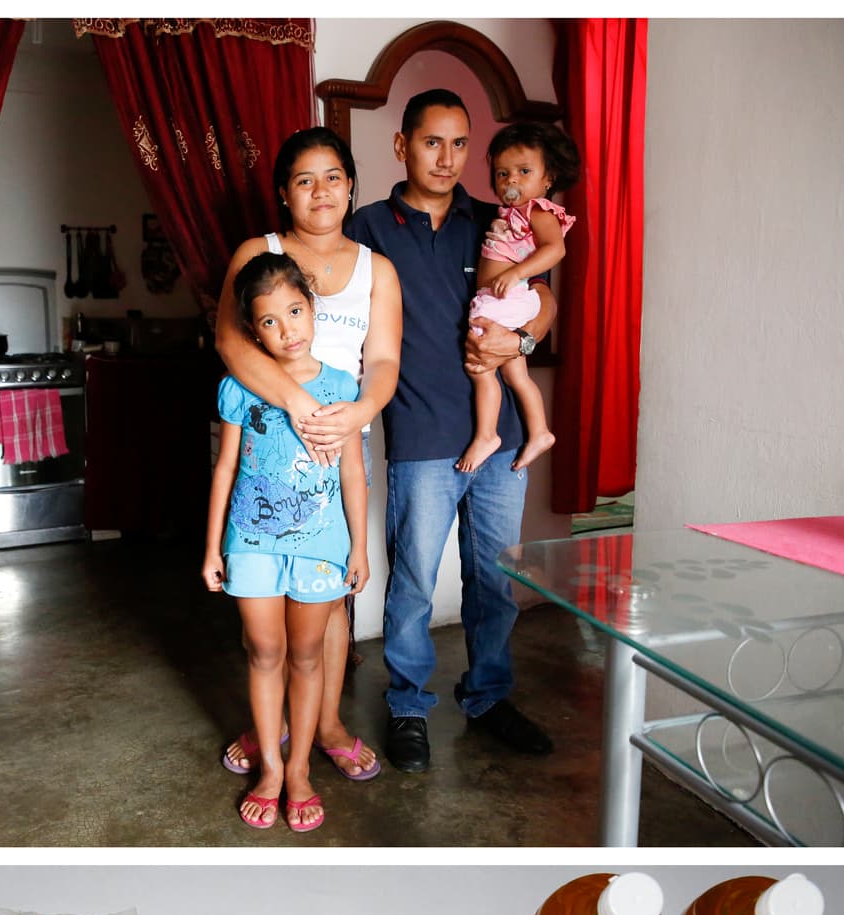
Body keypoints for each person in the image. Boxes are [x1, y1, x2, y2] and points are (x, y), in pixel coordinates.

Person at [345, 89, 557, 773]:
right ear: (402, 145)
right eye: (433, 142)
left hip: (500, 440)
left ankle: (488, 696)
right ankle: (408, 704)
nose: (448, 157)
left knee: (494, 581)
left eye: (461, 143)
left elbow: (545, 298)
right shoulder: (367, 230)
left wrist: (518, 343)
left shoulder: (495, 220)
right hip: (421, 433)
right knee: (411, 582)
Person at [215, 125, 402, 784]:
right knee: (265, 615)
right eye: (304, 179)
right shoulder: (256, 253)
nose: (320, 191)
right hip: (270, 440)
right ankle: (273, 726)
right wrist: (299, 405)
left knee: (325, 610)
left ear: (351, 186)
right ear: (282, 193)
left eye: (332, 177)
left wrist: (353, 413)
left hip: (337, 449)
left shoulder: (378, 268)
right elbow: (234, 349)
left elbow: (381, 361)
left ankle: (324, 724)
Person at [202, 253, 369, 834]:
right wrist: (211, 548)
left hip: (321, 547)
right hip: (250, 545)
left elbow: (353, 474)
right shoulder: (238, 389)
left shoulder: (342, 388)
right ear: (252, 330)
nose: (287, 329)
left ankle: (300, 771)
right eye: (269, 321)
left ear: (313, 308)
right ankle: (270, 769)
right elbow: (224, 469)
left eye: (295, 311)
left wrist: (360, 549)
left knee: (306, 656)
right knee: (264, 653)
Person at [458, 121, 580, 474]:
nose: (511, 181)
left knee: (481, 370)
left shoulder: (537, 210)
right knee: (515, 376)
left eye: (524, 171)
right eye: (502, 173)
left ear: (548, 177)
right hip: (505, 300)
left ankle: (487, 435)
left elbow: (555, 249)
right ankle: (540, 431)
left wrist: (516, 272)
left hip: (507, 299)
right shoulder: (513, 213)